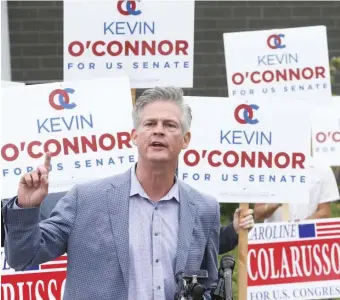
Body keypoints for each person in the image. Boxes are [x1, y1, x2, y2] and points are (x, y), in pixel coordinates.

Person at [2, 87, 222, 300]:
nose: (159, 130)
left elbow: (208, 286)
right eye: (150, 123)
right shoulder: (85, 199)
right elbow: (23, 258)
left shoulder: (205, 208)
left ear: (186, 139)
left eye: (170, 125)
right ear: (134, 136)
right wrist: (26, 208)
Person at [253, 157, 340, 222]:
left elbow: (324, 212)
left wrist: (299, 229)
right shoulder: (268, 168)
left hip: (305, 238)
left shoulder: (322, 169)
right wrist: (275, 204)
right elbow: (258, 214)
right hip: (273, 239)